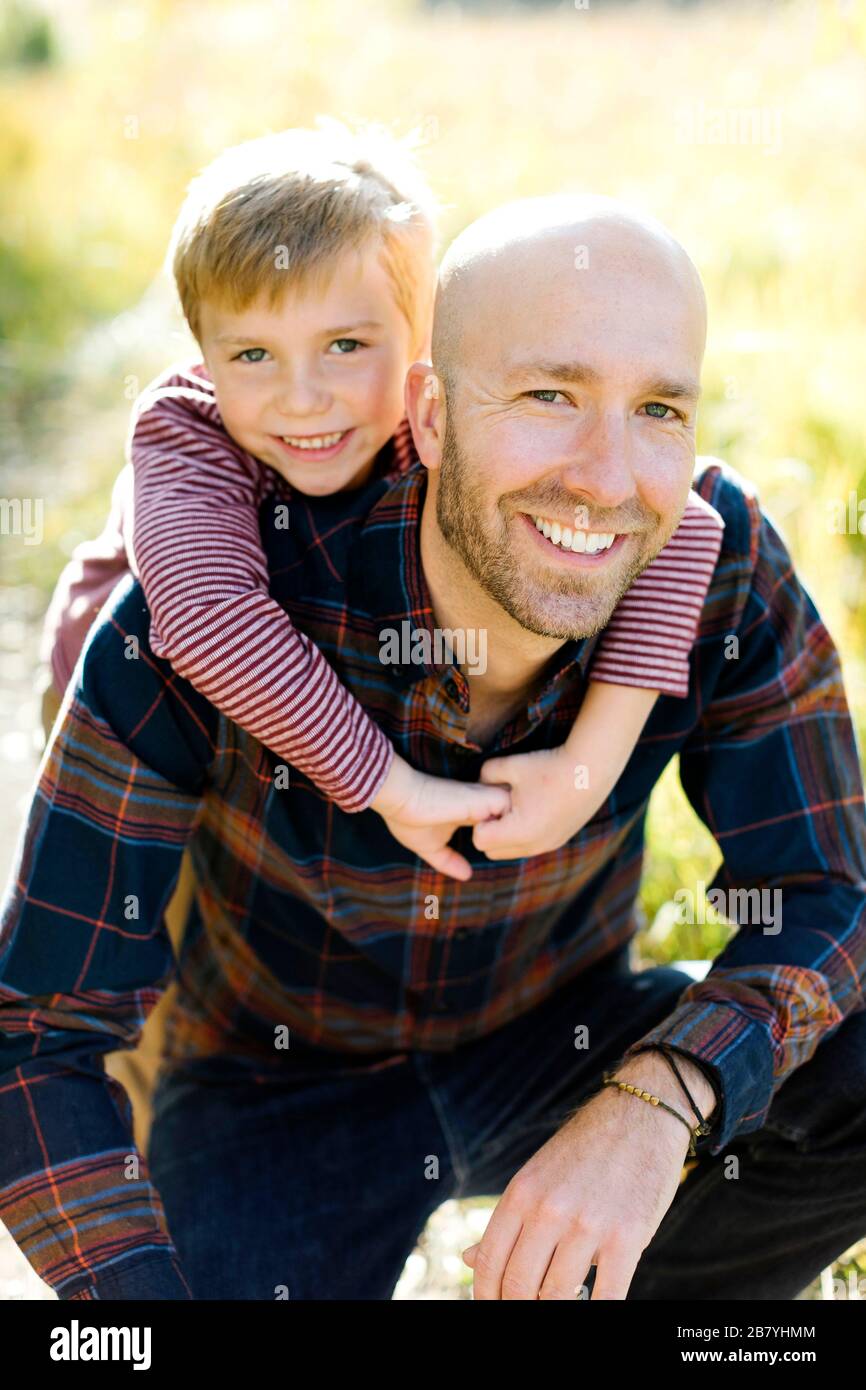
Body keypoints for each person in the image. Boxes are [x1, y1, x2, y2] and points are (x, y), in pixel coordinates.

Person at [2, 194, 864, 1301]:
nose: (606, 478)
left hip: (565, 1032)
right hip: (277, 1085)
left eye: (655, 409)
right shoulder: (207, 618)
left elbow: (824, 891)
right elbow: (39, 1036)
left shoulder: (712, 565)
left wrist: (662, 1093)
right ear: (433, 413)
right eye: (549, 396)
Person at [36, 126, 723, 1151]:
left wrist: (589, 762)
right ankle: (157, 1154)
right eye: (251, 354)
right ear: (201, 355)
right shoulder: (187, 436)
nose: (301, 397)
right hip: (161, 725)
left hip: (306, 700)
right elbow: (206, 620)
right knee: (157, 977)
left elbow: (691, 529)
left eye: (345, 347)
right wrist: (387, 786)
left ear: (421, 348)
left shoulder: (433, 424)